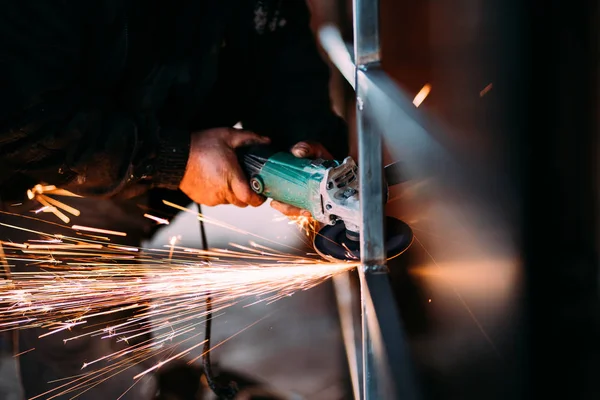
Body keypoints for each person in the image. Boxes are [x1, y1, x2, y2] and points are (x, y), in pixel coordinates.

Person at [0, 0, 349, 398]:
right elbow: (17, 115)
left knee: (112, 322)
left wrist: (309, 152)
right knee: (78, 328)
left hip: (130, 158)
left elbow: (286, 67)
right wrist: (175, 159)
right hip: (43, 171)